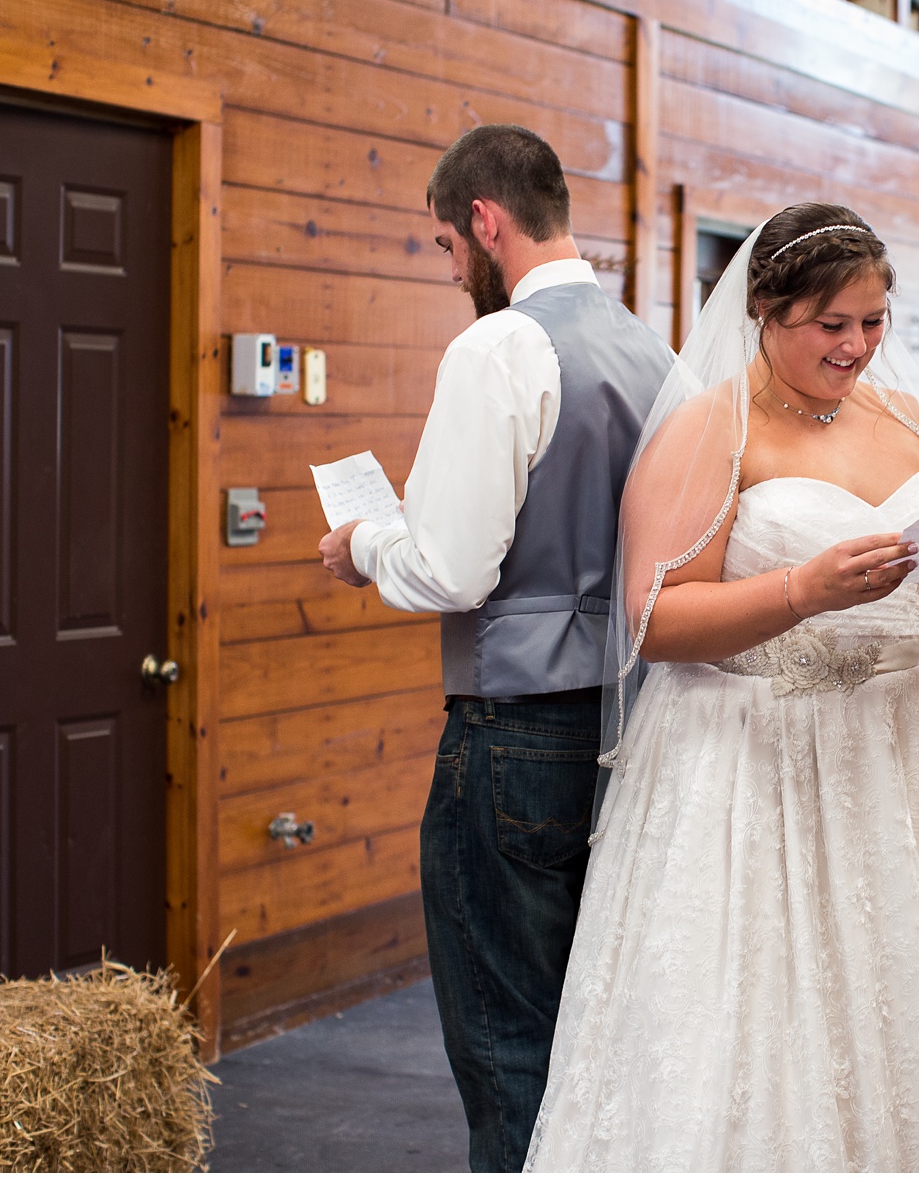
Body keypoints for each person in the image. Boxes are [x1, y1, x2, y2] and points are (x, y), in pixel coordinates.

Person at [523, 203, 919, 1172]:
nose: (856, 345)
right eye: (831, 325)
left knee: (898, 990)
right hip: (749, 757)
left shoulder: (911, 423)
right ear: (764, 311)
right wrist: (798, 590)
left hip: (897, 753)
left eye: (873, 321)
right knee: (763, 1006)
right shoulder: (708, 431)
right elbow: (654, 620)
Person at [317, 124, 673, 1172]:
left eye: (444, 246)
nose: (451, 270)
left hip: (513, 728)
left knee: (505, 1034)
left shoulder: (498, 347)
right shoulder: (645, 347)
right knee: (588, 1024)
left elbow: (450, 569)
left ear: (484, 219)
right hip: (628, 717)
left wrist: (363, 544)